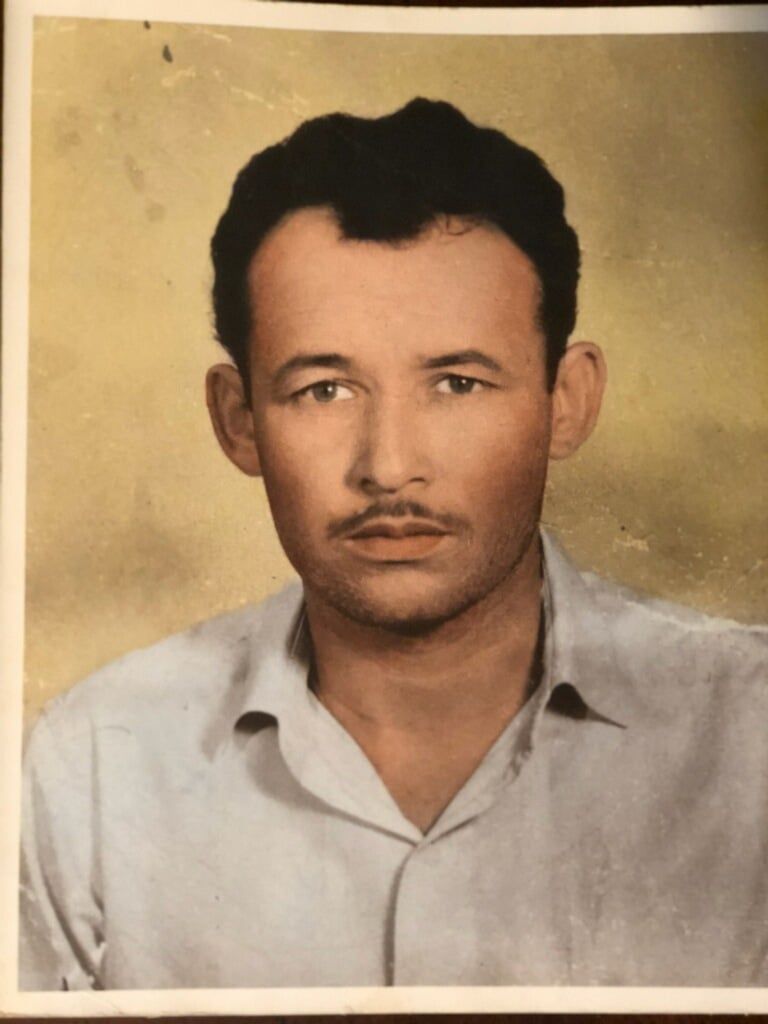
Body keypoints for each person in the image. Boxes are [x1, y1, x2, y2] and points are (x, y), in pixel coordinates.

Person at [20, 98, 767, 991]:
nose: (389, 467)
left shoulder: (749, 735)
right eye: (325, 390)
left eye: (457, 383)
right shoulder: (95, 763)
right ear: (238, 420)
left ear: (566, 401)